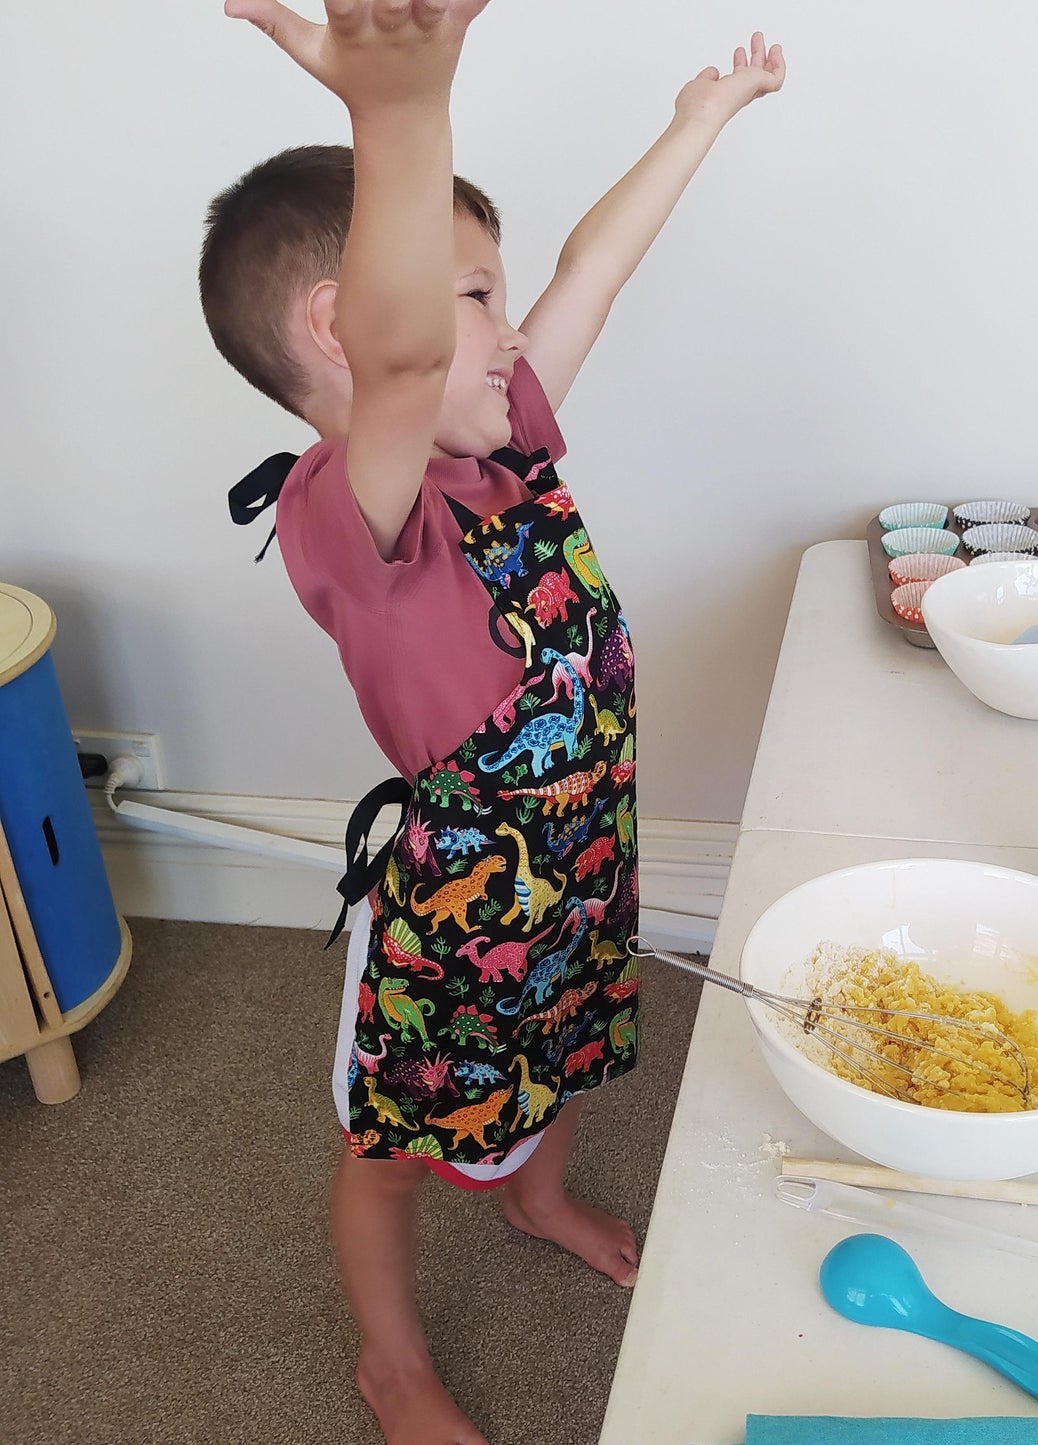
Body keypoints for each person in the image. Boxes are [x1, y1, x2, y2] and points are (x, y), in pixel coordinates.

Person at [199, 3, 785, 1441]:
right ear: (339, 327)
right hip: (459, 906)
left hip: (581, 858)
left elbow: (591, 273)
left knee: (574, 1047)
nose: (510, 327)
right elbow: (405, 367)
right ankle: (390, 1361)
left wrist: (697, 122)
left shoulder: (500, 443)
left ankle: (533, 1195)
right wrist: (399, 114)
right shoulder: (351, 512)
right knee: (392, 1146)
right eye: (475, 293)